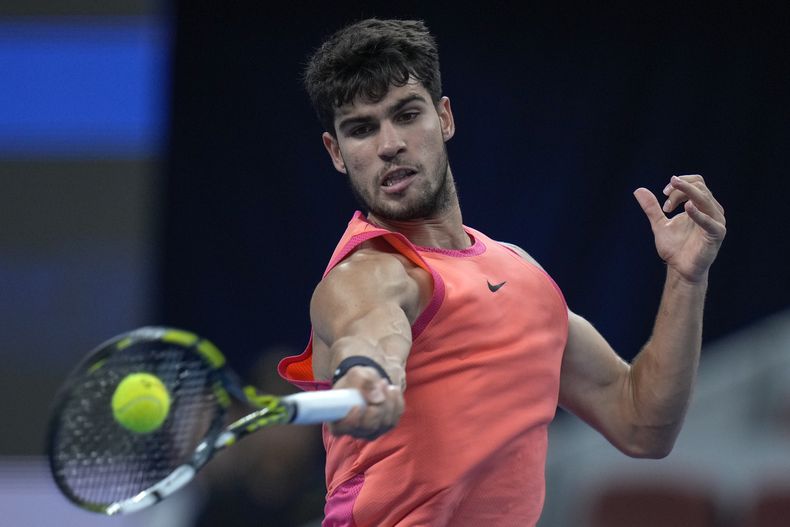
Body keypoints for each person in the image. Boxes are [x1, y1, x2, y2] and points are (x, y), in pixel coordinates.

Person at [278, 18, 726, 527]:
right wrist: (368, 375)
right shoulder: (365, 273)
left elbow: (642, 424)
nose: (389, 144)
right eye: (361, 128)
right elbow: (371, 332)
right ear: (336, 153)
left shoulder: (521, 274)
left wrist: (687, 279)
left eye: (406, 115)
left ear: (444, 118)